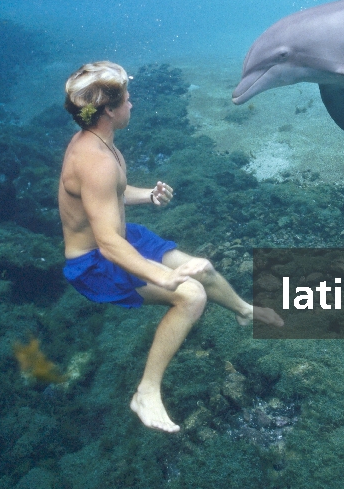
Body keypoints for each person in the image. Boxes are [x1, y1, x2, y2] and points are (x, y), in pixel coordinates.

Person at [57, 61, 284, 433]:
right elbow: (108, 242)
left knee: (203, 268)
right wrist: (162, 275)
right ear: (110, 111)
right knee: (191, 295)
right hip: (94, 263)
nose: (133, 104)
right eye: (127, 99)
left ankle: (243, 311)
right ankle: (146, 391)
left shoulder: (96, 141)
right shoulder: (97, 161)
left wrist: (146, 195)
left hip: (122, 237)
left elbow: (104, 197)